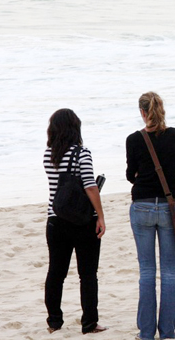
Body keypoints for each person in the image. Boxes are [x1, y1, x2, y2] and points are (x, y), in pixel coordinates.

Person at [126, 92, 175, 340]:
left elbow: (131, 175)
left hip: (142, 205)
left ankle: (145, 332)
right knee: (169, 272)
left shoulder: (134, 139)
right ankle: (167, 332)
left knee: (146, 271)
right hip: (169, 206)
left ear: (143, 113)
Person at [44, 108, 107, 335]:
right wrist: (100, 215)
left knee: (56, 273)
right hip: (82, 221)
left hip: (55, 219)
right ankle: (89, 323)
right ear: (75, 128)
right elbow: (90, 185)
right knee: (87, 274)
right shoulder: (82, 153)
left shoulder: (48, 154)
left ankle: (54, 322)